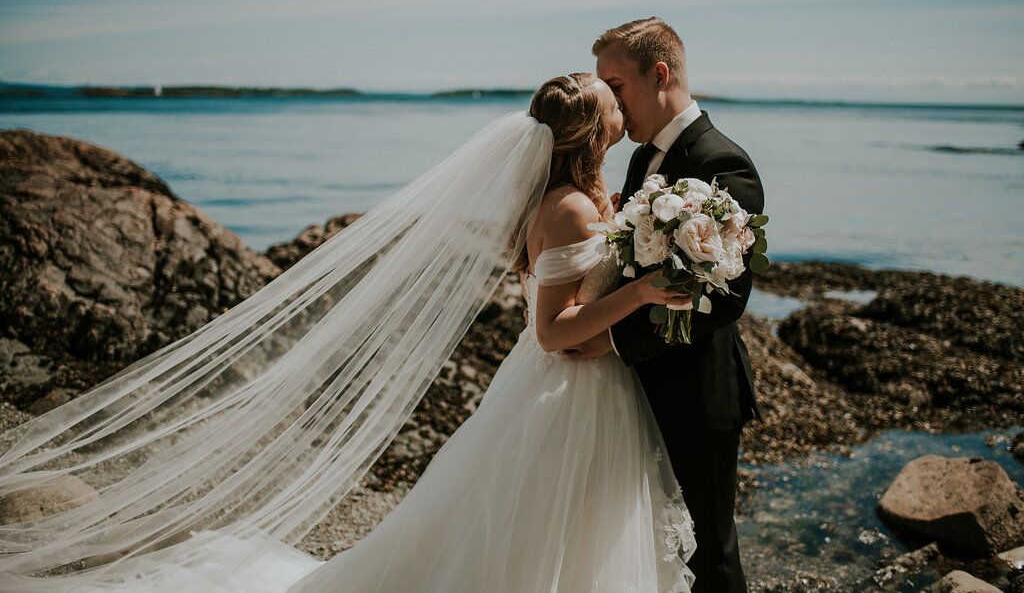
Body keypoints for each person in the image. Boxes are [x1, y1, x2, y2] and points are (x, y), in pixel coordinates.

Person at [0, 73, 697, 592]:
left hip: (584, 382)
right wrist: (640, 293)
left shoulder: (575, 197)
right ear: (595, 132)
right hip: (564, 389)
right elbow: (552, 332)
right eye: (611, 99)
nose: (619, 102)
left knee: (563, 524)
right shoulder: (570, 207)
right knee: (538, 523)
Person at [570, 17, 765, 593]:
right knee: (649, 543)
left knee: (709, 552)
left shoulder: (722, 164)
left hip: (696, 393)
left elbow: (724, 300)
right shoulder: (640, 158)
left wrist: (607, 340)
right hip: (638, 388)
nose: (609, 99)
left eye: (617, 85)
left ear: (660, 75)